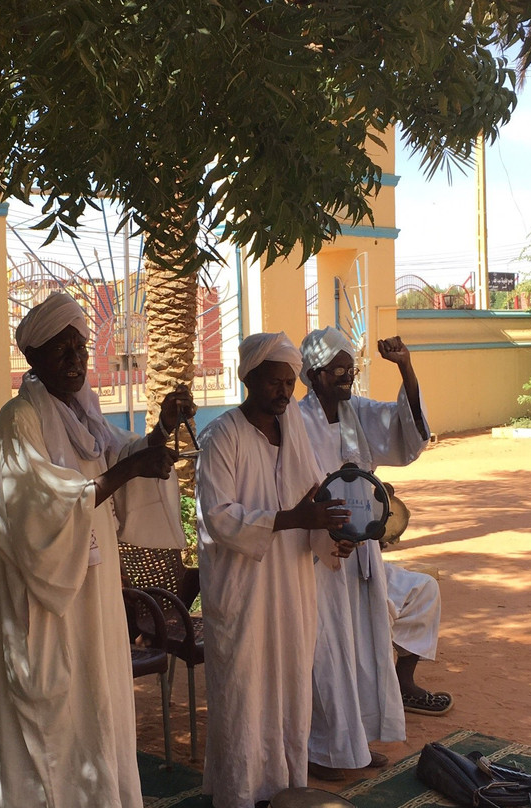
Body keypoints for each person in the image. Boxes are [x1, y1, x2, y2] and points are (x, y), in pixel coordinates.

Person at [0, 292, 195, 808]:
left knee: (96, 701)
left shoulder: (85, 413)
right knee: (49, 713)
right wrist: (126, 470)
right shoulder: (19, 420)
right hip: (45, 597)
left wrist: (162, 430)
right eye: (64, 350)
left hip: (92, 590)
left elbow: (118, 456)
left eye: (81, 348)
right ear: (32, 358)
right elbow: (38, 502)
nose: (78, 360)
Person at [195, 331, 355, 808]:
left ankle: (284, 790)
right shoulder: (221, 436)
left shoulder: (295, 433)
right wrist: (292, 520)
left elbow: (312, 500)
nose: (285, 392)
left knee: (289, 692)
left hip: (291, 589)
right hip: (242, 593)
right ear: (249, 379)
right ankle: (240, 795)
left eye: (289, 383)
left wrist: (331, 538)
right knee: (245, 694)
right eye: (274, 382)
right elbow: (219, 518)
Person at [298, 326, 447, 782]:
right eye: (337, 368)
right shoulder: (296, 421)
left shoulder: (355, 411)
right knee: (330, 653)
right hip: (319, 557)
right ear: (314, 373)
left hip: (360, 553)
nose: (347, 374)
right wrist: (325, 531)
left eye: (351, 367)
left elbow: (406, 433)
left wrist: (404, 365)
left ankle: (354, 743)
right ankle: (323, 752)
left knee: (362, 650)